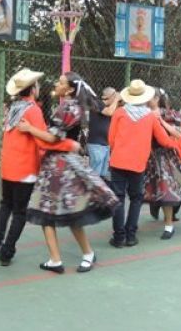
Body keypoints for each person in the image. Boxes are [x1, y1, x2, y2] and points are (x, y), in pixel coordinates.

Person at [23, 73, 118, 273]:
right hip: (62, 164)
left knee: (50, 212)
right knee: (66, 213)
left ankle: (67, 257)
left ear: (70, 89)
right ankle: (71, 257)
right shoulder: (76, 106)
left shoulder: (67, 108)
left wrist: (29, 128)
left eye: (61, 82)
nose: (56, 84)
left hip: (60, 166)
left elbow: (52, 138)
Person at [0, 69, 74, 265]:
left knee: (6, 204)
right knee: (20, 212)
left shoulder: (14, 108)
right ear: (33, 89)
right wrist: (68, 145)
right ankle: (7, 252)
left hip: (8, 166)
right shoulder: (33, 110)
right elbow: (44, 140)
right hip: (25, 169)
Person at [107, 79, 177, 248]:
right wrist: (177, 143)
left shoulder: (119, 112)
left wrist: (118, 150)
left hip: (118, 161)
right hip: (138, 163)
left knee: (118, 198)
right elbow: (164, 140)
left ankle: (118, 237)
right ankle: (131, 235)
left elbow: (111, 139)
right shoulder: (150, 116)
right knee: (136, 198)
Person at [143, 89, 181, 239]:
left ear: (157, 98)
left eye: (149, 97)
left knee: (168, 190)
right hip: (149, 156)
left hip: (167, 156)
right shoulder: (143, 114)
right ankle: (156, 206)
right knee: (153, 190)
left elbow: (179, 134)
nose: (146, 99)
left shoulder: (169, 114)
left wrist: (160, 121)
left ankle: (168, 226)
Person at [87, 86, 118, 181]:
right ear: (110, 96)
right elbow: (109, 112)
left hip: (105, 144)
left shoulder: (111, 107)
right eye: (115, 96)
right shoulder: (97, 103)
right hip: (96, 144)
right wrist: (116, 99)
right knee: (95, 175)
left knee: (102, 175)